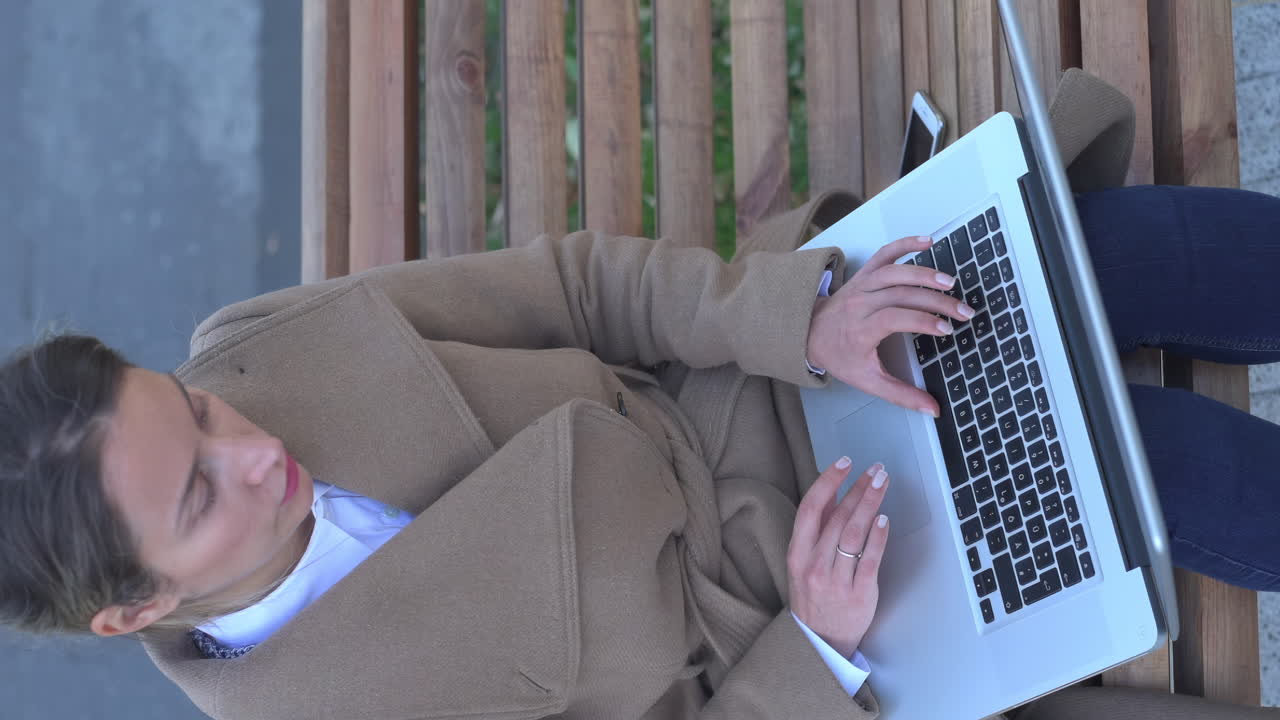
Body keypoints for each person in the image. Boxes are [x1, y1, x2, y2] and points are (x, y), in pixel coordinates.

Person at [1, 71, 1277, 719]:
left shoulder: (253, 341)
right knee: (1140, 471)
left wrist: (798, 320)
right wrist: (821, 642)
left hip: (757, 388)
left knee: (1102, 251)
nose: (253, 441)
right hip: (810, 636)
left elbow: (572, 288)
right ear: (139, 607)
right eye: (199, 491)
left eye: (199, 408)